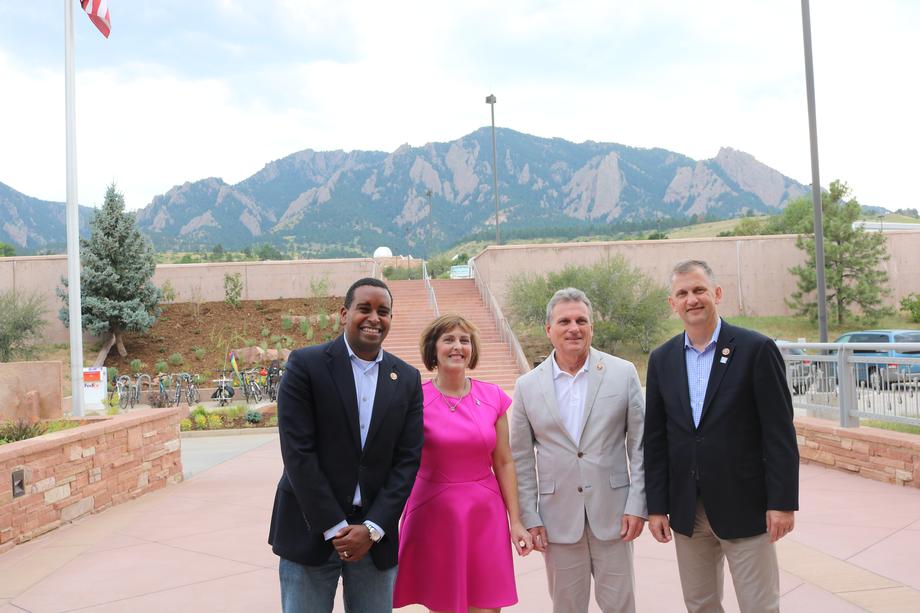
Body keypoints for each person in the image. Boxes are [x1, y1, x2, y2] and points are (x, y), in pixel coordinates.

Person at [643, 260, 799, 613]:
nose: (692, 299)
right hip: (687, 509)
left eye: (699, 290)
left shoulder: (756, 349)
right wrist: (657, 507)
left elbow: (779, 433)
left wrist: (782, 502)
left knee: (759, 606)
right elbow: (655, 440)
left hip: (746, 506)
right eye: (682, 293)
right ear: (672, 303)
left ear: (716, 293)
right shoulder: (662, 359)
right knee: (700, 605)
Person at [268, 277, 424, 613]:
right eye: (364, 308)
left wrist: (372, 528)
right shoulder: (305, 365)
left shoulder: (407, 378)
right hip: (309, 528)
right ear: (344, 314)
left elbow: (408, 460)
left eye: (383, 311)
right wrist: (336, 528)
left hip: (375, 537)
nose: (374, 318)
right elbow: (298, 453)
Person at [510, 288, 647, 613]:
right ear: (549, 329)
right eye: (565, 321)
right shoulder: (527, 386)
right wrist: (529, 515)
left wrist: (637, 503)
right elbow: (521, 459)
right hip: (556, 521)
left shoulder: (623, 373)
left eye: (581, 321)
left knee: (621, 607)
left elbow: (640, 445)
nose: (574, 328)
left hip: (614, 515)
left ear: (591, 327)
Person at [394, 314, 533, 613]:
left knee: (488, 604)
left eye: (464, 340)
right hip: (434, 513)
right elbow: (399, 461)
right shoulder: (415, 399)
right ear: (433, 349)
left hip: (485, 514)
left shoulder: (493, 396)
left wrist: (516, 521)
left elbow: (504, 462)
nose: (458, 346)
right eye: (449, 339)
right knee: (444, 603)